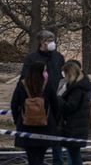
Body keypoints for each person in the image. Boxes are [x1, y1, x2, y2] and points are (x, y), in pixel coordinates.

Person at [20, 29, 65, 165]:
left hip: (55, 98)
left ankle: (58, 161)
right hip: (37, 101)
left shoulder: (58, 57)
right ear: (41, 42)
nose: (52, 43)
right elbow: (24, 79)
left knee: (57, 131)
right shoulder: (32, 58)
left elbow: (63, 76)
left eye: (53, 40)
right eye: (49, 41)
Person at [11, 61, 60, 165]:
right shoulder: (47, 85)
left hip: (26, 126)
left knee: (31, 157)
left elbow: (14, 105)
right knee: (41, 156)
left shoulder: (22, 84)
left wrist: (17, 120)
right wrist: (54, 120)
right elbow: (55, 105)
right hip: (45, 126)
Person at [58, 60, 91, 165]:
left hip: (74, 126)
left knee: (74, 155)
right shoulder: (80, 86)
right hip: (77, 125)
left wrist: (59, 100)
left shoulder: (77, 89)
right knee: (74, 153)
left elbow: (71, 106)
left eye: (65, 74)